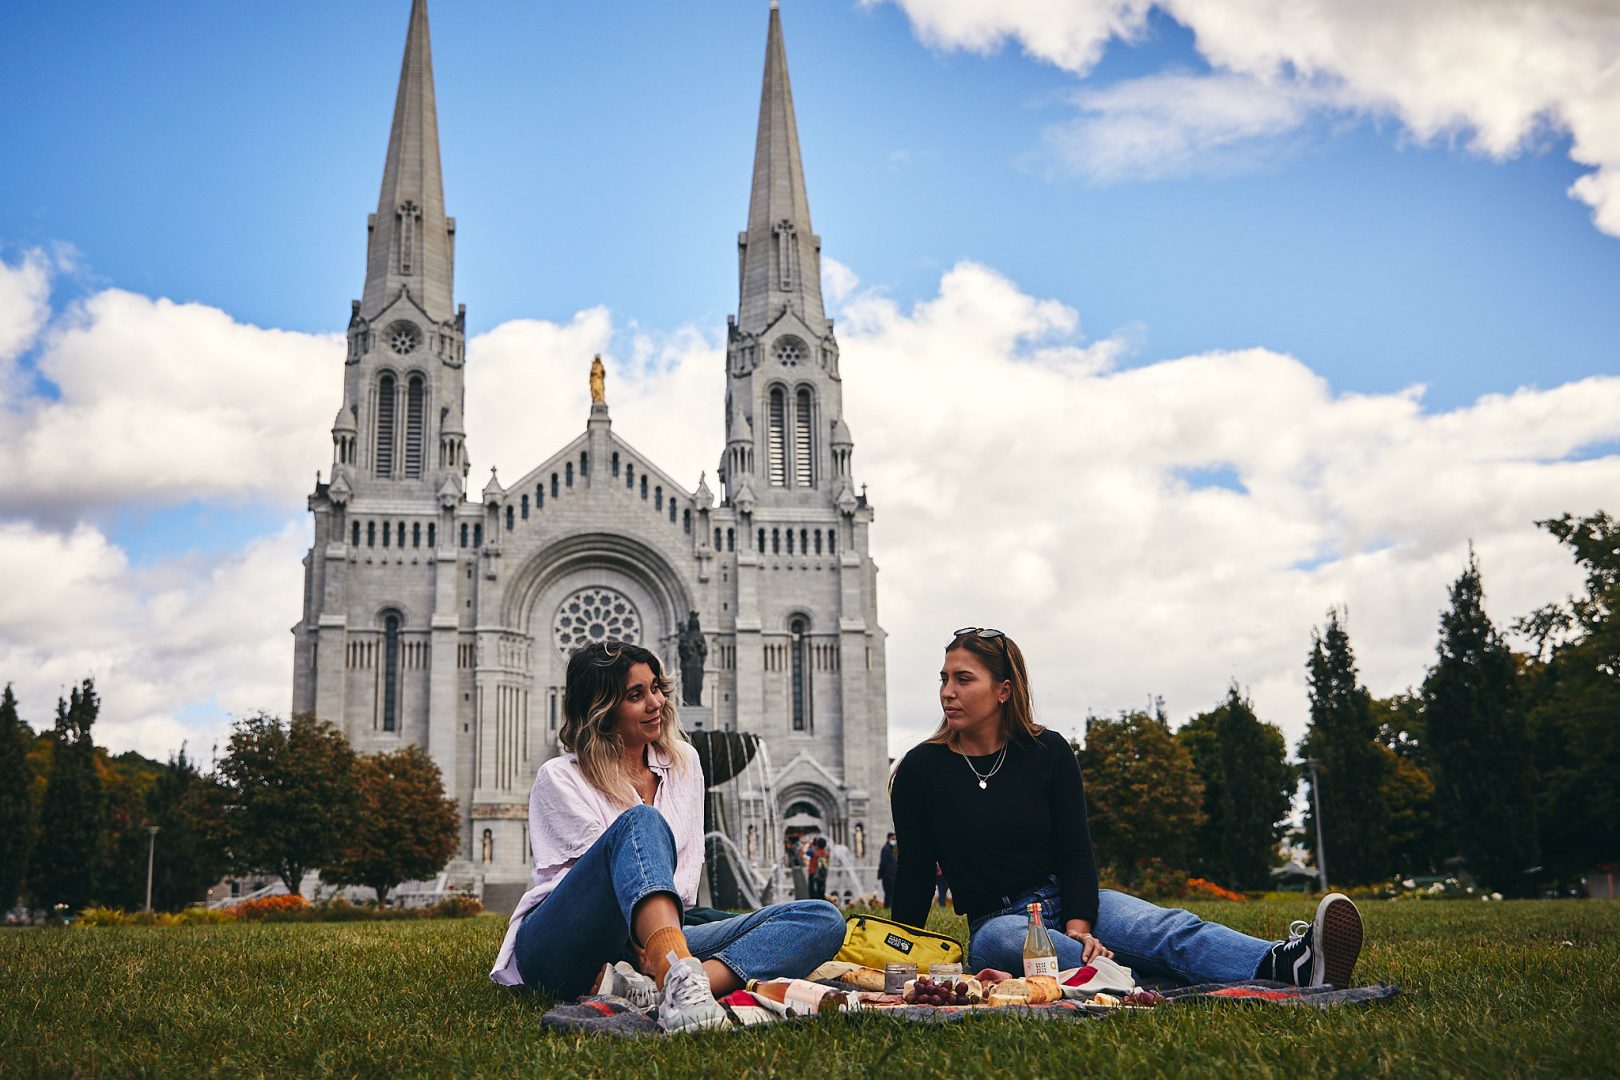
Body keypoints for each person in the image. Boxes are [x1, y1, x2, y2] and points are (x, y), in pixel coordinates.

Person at [889, 628, 1365, 989]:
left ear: (1004, 690)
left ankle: (1287, 963)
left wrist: (1080, 924)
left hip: (1069, 899)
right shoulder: (919, 769)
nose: (947, 691)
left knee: (1165, 927)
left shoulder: (1048, 751)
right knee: (1004, 944)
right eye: (944, 679)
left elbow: (1075, 848)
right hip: (999, 921)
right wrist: (896, 954)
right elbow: (914, 872)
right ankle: (1133, 980)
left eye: (963, 679)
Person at [490, 641, 846, 1032]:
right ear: (601, 709)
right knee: (642, 821)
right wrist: (654, 946)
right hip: (564, 945)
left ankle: (680, 987)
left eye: (656, 688)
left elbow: (683, 884)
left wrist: (662, 948)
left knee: (821, 919)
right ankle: (673, 972)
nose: (656, 702)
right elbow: (596, 888)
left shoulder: (684, 763)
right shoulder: (560, 776)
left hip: (657, 943)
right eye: (636, 695)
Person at [877, 833, 898, 909]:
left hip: (893, 874)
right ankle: (887, 908)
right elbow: (883, 863)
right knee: (888, 893)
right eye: (892, 839)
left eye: (895, 839)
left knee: (892, 894)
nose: (894, 841)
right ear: (888, 839)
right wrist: (880, 874)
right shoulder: (886, 849)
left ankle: (890, 908)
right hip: (888, 875)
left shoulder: (893, 849)